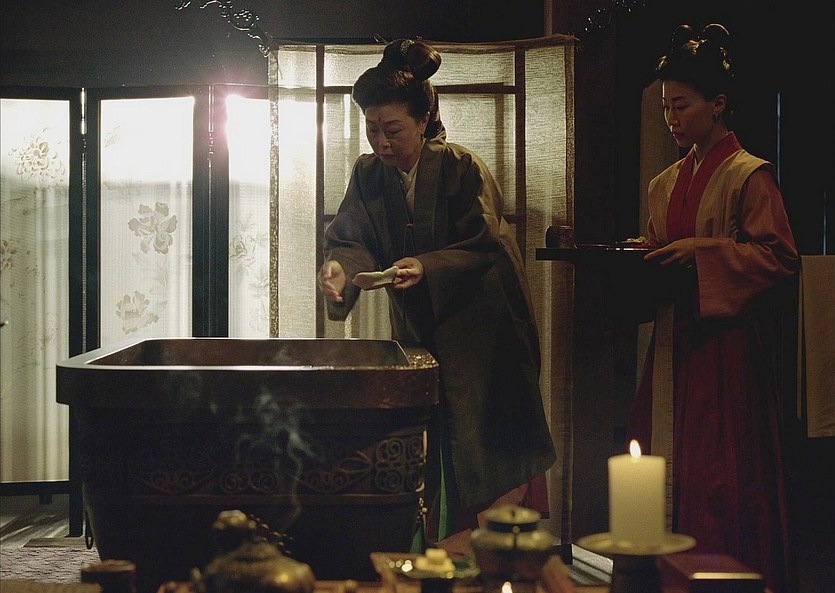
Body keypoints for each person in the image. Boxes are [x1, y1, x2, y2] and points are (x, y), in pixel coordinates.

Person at [317, 38, 556, 551]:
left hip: (484, 336)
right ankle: (437, 556)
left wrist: (427, 265)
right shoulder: (368, 174)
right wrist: (340, 270)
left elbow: (485, 243)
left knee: (487, 447)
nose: (381, 142)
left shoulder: (461, 167)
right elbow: (351, 238)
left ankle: (493, 557)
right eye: (372, 129)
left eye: (393, 130)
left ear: (423, 120)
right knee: (431, 443)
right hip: (423, 333)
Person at [627, 23, 799, 593]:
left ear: (718, 104)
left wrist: (702, 253)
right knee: (665, 466)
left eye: (682, 105)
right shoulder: (664, 183)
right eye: (665, 107)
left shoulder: (749, 174)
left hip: (726, 351)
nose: (671, 119)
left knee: (720, 476)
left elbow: (779, 259)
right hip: (674, 343)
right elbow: (659, 250)